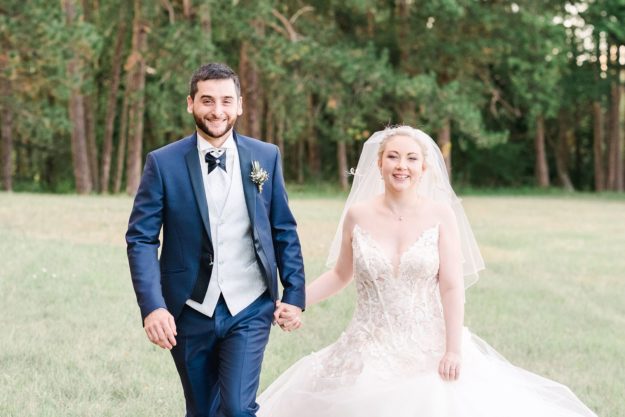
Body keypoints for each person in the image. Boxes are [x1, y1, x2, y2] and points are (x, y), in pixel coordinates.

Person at [260, 126, 597, 417]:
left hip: (429, 347)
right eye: (393, 156)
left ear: (424, 168)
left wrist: (453, 349)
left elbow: (451, 287)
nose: (401, 165)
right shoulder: (358, 215)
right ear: (379, 163)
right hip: (367, 344)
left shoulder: (440, 215)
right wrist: (296, 301)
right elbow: (339, 275)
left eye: (411, 158)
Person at [126, 62, 305, 417]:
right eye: (207, 100)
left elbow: (283, 228)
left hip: (250, 305)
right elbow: (141, 238)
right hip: (188, 309)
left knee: (238, 408)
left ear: (240, 105)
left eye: (226, 101)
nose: (217, 110)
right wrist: (153, 307)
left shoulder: (265, 156)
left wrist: (295, 294)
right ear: (190, 103)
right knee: (202, 410)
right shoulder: (162, 163)